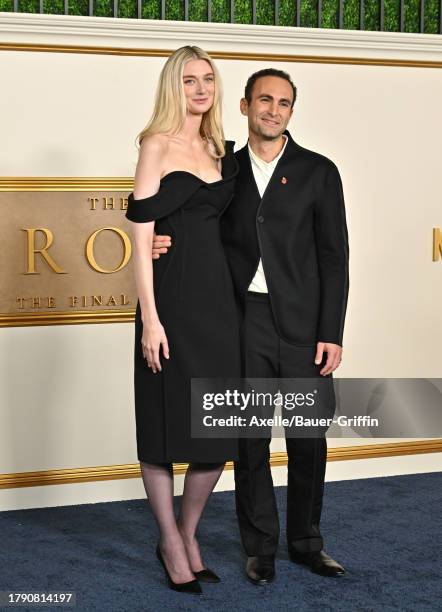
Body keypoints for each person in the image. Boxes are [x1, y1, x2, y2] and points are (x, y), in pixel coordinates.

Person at [153, 68, 350, 584]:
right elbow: (190, 221)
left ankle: (307, 542)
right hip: (241, 321)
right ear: (244, 106)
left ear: (291, 111)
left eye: (284, 103)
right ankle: (259, 547)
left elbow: (335, 257)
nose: (274, 110)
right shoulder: (224, 169)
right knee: (250, 437)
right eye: (265, 100)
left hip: (306, 327)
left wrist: (332, 330)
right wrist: (158, 241)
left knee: (308, 437)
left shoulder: (319, 172)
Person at [125, 45, 241, 594]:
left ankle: (189, 532)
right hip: (169, 303)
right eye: (190, 80)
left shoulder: (220, 149)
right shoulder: (157, 144)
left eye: (208, 80)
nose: (201, 89)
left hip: (218, 305)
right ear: (175, 86)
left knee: (215, 429)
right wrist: (150, 318)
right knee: (163, 424)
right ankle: (169, 540)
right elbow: (141, 235)